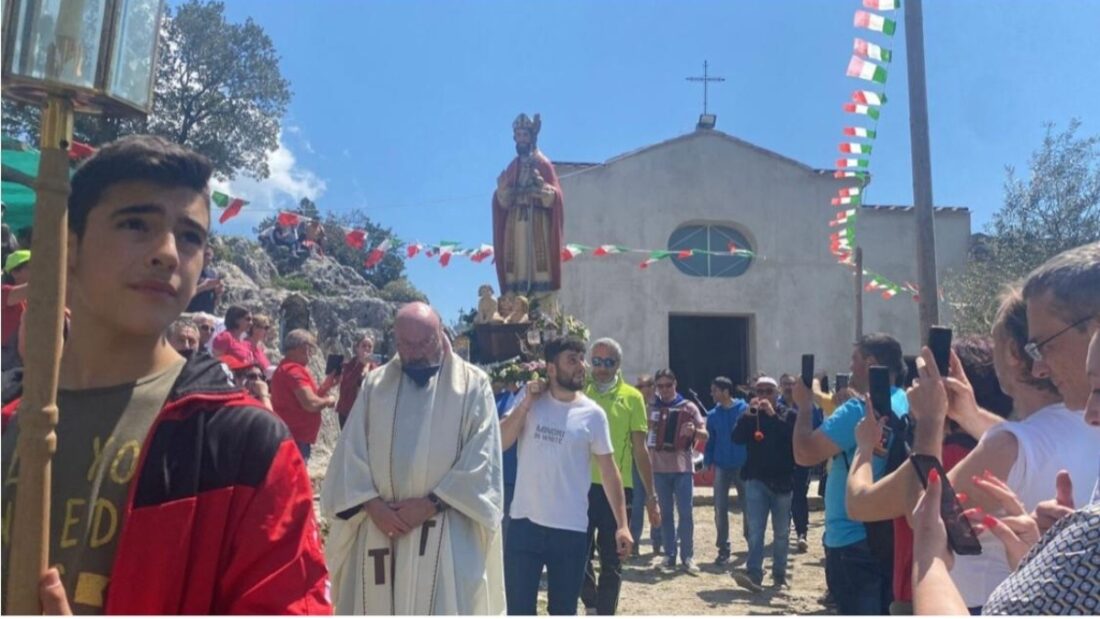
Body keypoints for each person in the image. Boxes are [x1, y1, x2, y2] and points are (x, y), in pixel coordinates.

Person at [0, 135, 329, 613]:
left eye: (190, 236)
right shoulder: (9, 417)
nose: (168, 253)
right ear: (68, 246)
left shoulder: (242, 446)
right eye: (136, 223)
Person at [321, 302, 505, 614]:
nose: (415, 353)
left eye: (424, 343)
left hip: (445, 529)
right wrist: (372, 505)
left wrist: (431, 503)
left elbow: (482, 458)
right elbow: (351, 452)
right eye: (405, 344)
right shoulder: (376, 385)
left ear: (441, 333)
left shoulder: (473, 386)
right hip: (380, 527)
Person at [910, 327, 1100, 614]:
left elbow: (918, 513)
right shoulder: (1056, 434)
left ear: (1010, 351)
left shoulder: (1090, 533)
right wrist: (1046, 555)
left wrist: (929, 560)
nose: (1038, 366)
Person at [844, 334, 1018, 613]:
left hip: (929, 599)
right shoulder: (1018, 450)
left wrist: (864, 448)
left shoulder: (938, 458)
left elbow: (860, 503)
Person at [500, 336, 632, 615]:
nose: (581, 366)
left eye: (581, 359)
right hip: (524, 526)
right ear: (551, 368)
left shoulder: (593, 414)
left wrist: (622, 524)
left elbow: (609, 471)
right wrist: (526, 402)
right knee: (518, 610)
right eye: (572, 360)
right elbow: (500, 441)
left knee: (563, 611)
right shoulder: (530, 401)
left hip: (570, 531)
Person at [792, 333, 910, 615]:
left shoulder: (858, 410)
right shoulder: (907, 402)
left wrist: (804, 407)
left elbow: (805, 453)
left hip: (851, 537)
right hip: (892, 532)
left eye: (854, 359)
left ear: (870, 363)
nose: (849, 366)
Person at [580, 338, 657, 615]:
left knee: (612, 560)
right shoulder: (580, 393)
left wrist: (651, 496)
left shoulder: (632, 397)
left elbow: (640, 450)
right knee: (577, 556)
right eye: (596, 361)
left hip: (618, 489)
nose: (601, 368)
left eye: (608, 362)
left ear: (618, 364)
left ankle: (604, 612)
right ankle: (591, 602)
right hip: (579, 488)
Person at [491, 113, 565, 312]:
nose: (522, 139)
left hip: (537, 223)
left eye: (525, 135)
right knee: (515, 268)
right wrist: (501, 193)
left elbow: (556, 196)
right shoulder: (512, 167)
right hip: (514, 224)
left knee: (538, 267)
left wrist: (542, 190)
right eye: (519, 135)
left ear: (532, 137)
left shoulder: (543, 164)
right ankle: (515, 303)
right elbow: (502, 201)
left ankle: (540, 306)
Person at [731, 376, 797, 591]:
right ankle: (754, 574)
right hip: (756, 479)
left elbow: (790, 438)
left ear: (777, 393)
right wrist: (747, 417)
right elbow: (736, 438)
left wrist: (772, 415)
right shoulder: (750, 415)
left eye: (768, 391)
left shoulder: (788, 414)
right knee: (756, 530)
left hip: (782, 481)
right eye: (759, 391)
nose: (763, 396)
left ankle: (779, 575)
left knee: (781, 532)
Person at [648, 368, 708, 575]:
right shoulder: (651, 407)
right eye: (660, 386)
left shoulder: (688, 406)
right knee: (665, 514)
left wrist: (694, 431)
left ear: (675, 385)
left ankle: (688, 556)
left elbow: (705, 434)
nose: (664, 390)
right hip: (658, 467)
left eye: (668, 385)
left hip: (683, 467)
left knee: (685, 513)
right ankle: (669, 554)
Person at [269, 328, 337, 462]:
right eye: (310, 348)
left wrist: (326, 386)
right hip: (296, 439)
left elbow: (309, 398)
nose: (311, 353)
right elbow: (311, 404)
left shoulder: (288, 368)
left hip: (295, 437)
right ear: (302, 347)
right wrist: (329, 400)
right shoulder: (293, 370)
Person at [703, 376, 748, 565]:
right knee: (720, 507)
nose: (712, 394)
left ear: (726, 391)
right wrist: (707, 461)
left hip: (743, 465)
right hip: (721, 465)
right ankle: (723, 548)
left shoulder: (744, 410)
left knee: (748, 506)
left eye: (715, 390)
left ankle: (752, 543)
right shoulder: (713, 415)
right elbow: (711, 440)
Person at [779, 373, 823, 553]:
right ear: (780, 386)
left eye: (792, 384)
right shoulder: (775, 406)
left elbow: (818, 427)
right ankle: (783, 532)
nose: (788, 387)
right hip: (781, 459)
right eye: (785, 384)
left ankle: (801, 533)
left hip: (802, 459)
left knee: (799, 496)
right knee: (782, 497)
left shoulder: (807, 406)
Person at [630, 374, 661, 556]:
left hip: (657, 458)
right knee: (637, 502)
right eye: (642, 386)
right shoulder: (633, 405)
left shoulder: (661, 406)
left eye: (649, 385)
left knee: (657, 500)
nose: (646, 389)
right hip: (637, 459)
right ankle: (634, 542)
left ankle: (658, 541)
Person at [335, 333, 377, 428]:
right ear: (357, 348)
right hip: (348, 412)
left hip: (365, 414)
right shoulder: (349, 366)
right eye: (364, 346)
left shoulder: (375, 369)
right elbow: (346, 385)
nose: (367, 348)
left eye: (370, 346)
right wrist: (361, 364)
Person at [185, 244, 221, 313]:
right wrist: (203, 287)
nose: (207, 257)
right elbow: (183, 295)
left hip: (207, 314)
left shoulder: (213, 274)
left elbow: (216, 303)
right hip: (190, 313)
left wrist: (218, 294)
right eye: (205, 254)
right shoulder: (190, 271)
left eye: (209, 255)